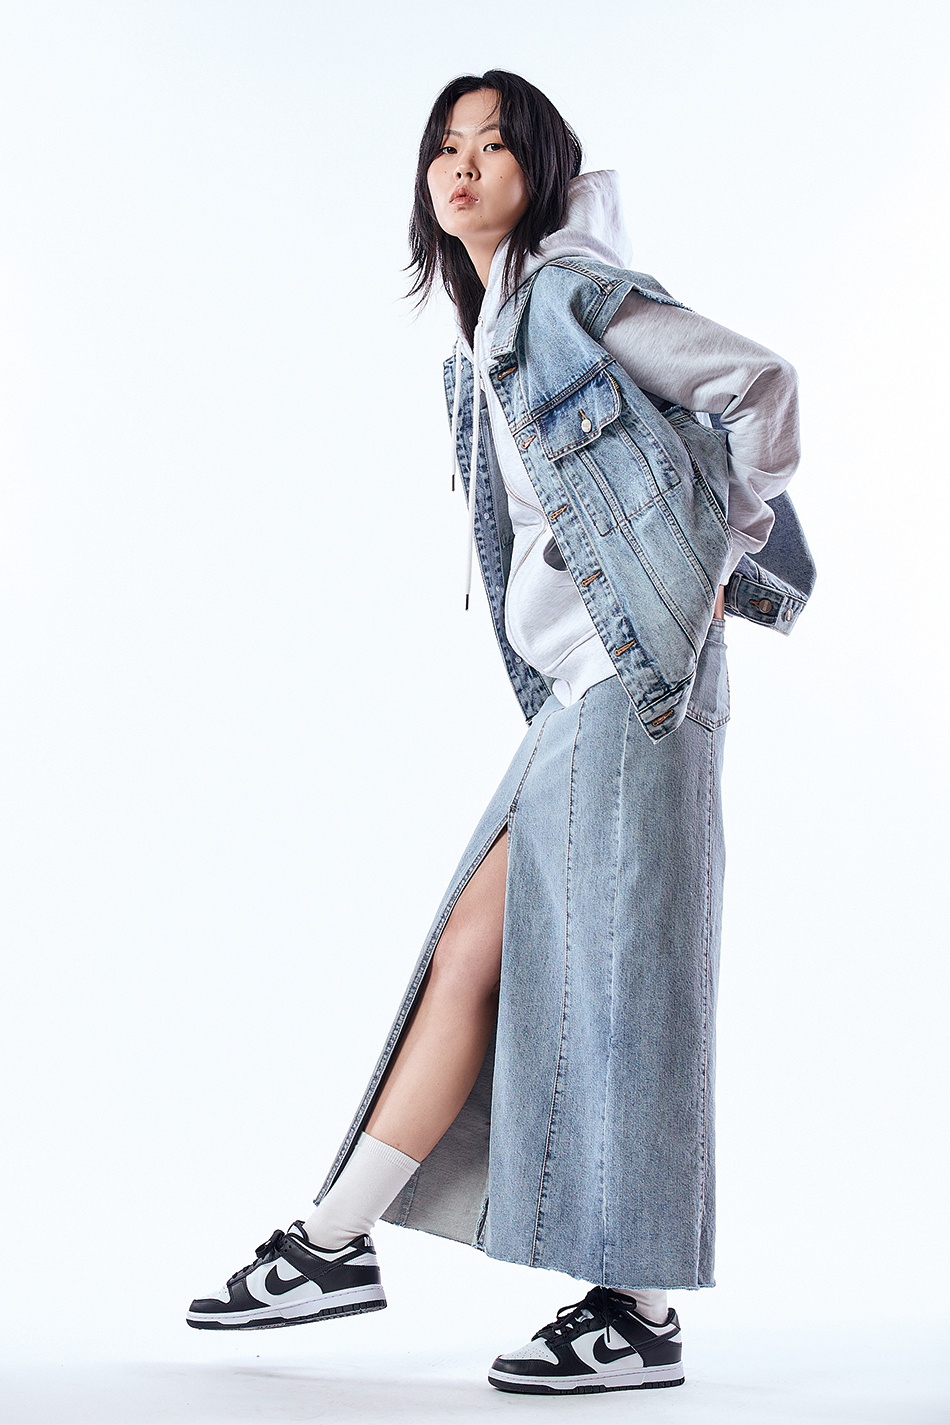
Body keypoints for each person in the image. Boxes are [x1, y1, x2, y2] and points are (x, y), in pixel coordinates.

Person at [186, 70, 814, 1396]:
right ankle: (332, 1242)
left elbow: (760, 386)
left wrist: (722, 558)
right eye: (444, 148)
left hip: (641, 680)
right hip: (583, 694)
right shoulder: (492, 339)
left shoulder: (569, 297)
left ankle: (636, 1309)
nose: (461, 167)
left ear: (539, 169)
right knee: (474, 943)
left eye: (491, 145)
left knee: (631, 981)